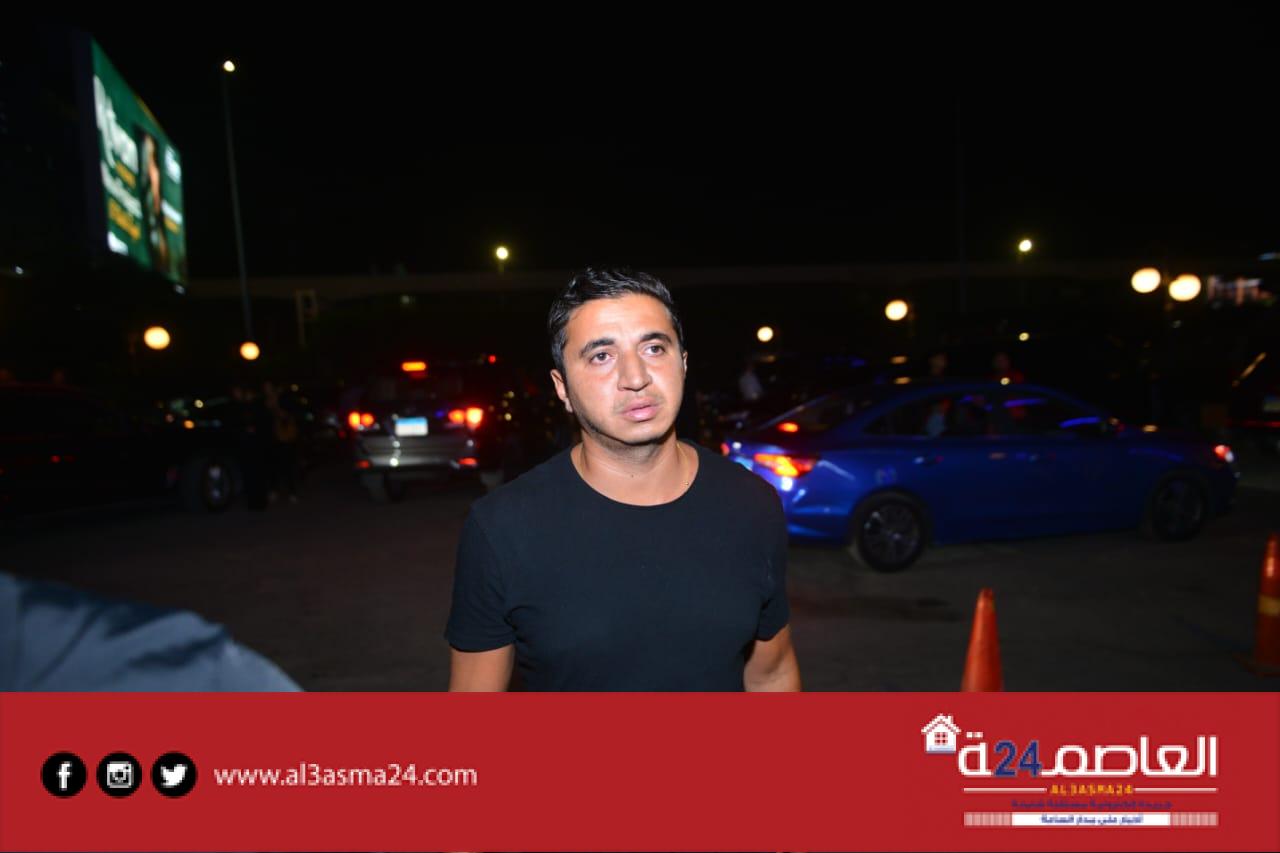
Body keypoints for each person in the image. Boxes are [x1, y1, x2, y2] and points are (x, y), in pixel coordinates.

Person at [445, 268, 801, 692]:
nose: (636, 378)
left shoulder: (752, 504)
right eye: (601, 356)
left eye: (654, 348)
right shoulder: (501, 528)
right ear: (562, 387)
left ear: (683, 363)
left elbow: (773, 673)